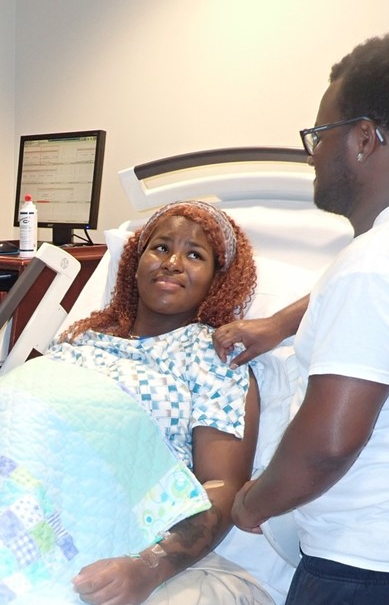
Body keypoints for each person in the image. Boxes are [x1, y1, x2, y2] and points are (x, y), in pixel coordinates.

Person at [218, 31, 389, 604]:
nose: (314, 153)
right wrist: (277, 325)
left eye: (320, 135)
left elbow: (327, 445)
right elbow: (378, 305)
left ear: (364, 139)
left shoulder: (377, 269)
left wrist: (251, 503)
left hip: (373, 573)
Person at [47, 200, 268, 604]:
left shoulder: (214, 359)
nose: (172, 263)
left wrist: (148, 567)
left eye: (195, 255)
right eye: (161, 248)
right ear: (135, 261)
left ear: (217, 281)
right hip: (39, 516)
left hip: (137, 543)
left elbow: (221, 487)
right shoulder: (81, 341)